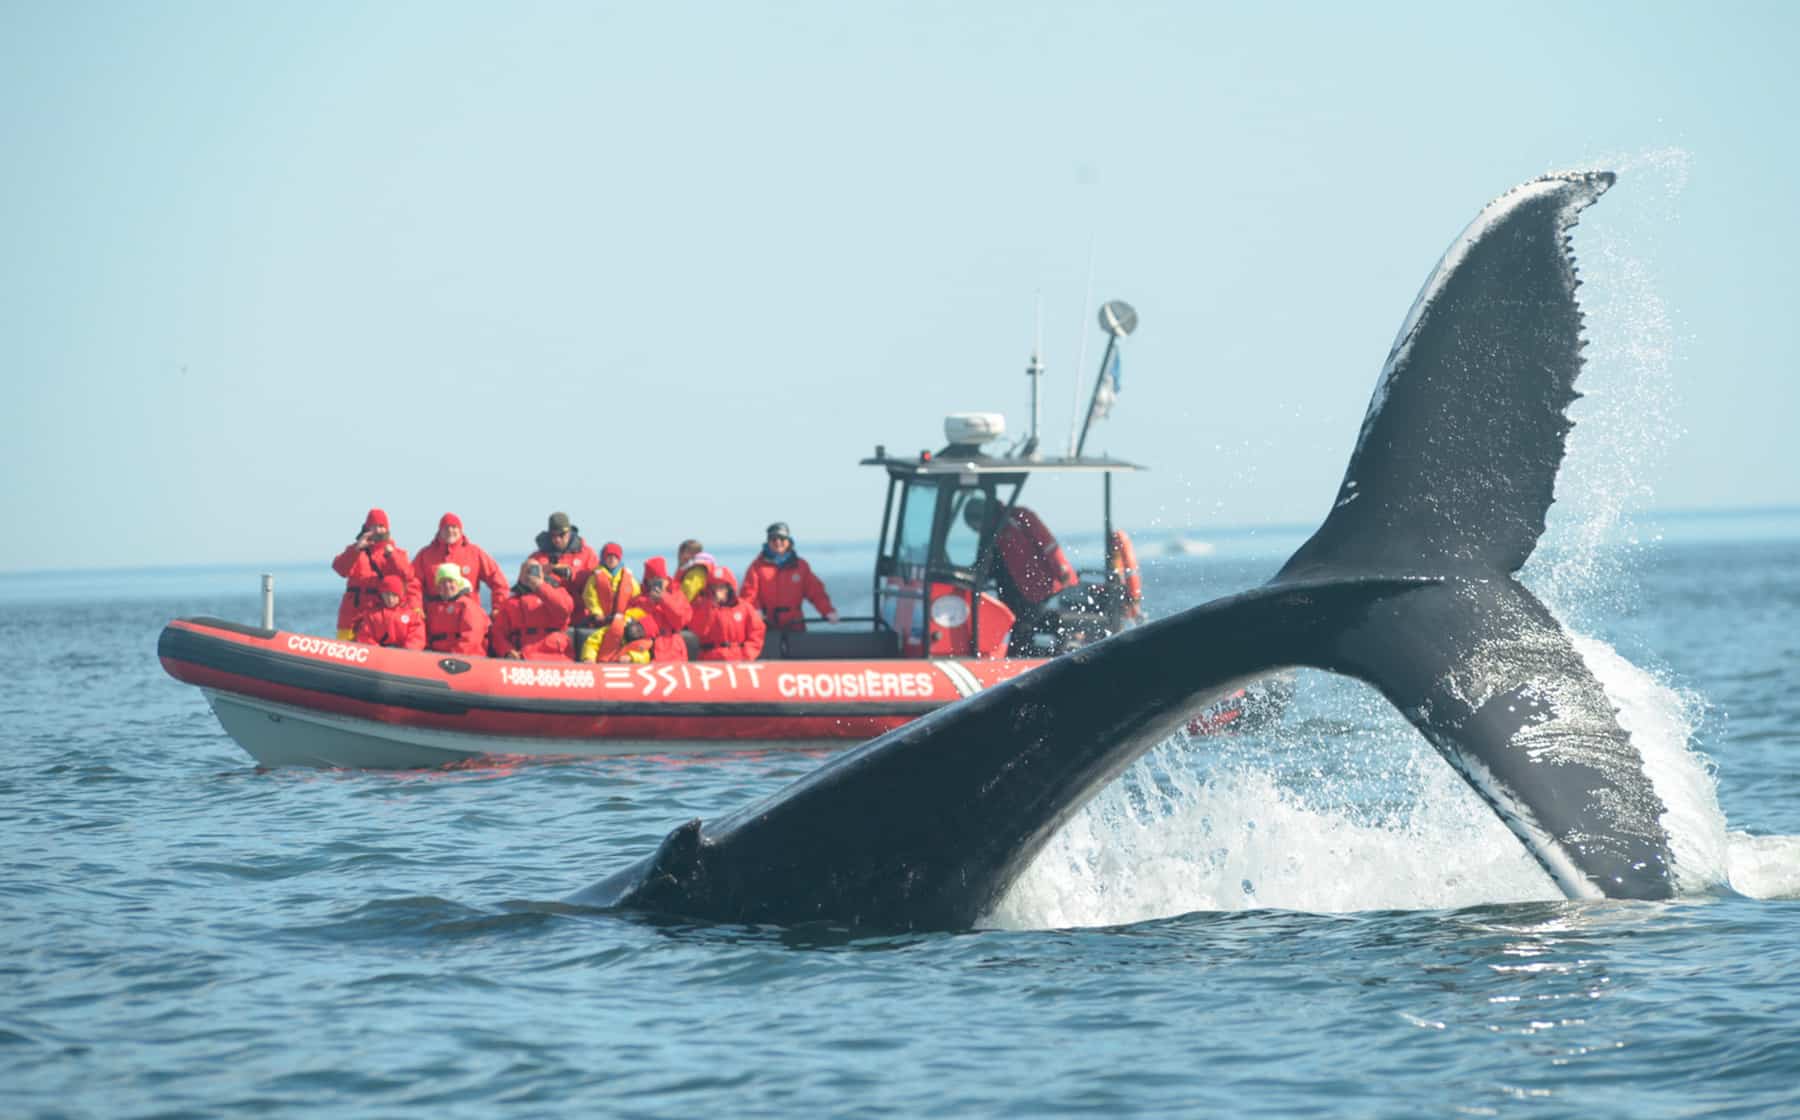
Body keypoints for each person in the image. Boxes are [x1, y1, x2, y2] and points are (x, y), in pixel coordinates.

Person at [963, 494, 1078, 611]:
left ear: (983, 517)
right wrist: (965, 578)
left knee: (1043, 621)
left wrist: (1062, 570)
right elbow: (985, 567)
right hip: (1013, 598)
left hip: (1043, 591)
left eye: (974, 527)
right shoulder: (989, 537)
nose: (976, 531)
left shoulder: (1019, 517)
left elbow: (1049, 545)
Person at [331, 508, 419, 639]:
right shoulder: (355, 550)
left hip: (378, 619)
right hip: (350, 617)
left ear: (387, 529)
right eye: (374, 526)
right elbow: (339, 568)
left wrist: (392, 555)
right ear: (366, 528)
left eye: (381, 526)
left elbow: (409, 575)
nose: (378, 530)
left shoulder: (397, 553)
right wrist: (356, 550)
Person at [740, 521, 839, 633]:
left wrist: (828, 611)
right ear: (768, 542)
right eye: (773, 539)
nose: (778, 542)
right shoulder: (757, 567)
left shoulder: (800, 566)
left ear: (788, 541)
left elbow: (816, 592)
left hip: (795, 626)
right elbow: (748, 595)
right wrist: (755, 612)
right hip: (767, 628)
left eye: (782, 538)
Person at [413, 513, 508, 613]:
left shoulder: (474, 553)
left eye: (454, 527)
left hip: (468, 616)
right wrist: (416, 608)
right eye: (446, 528)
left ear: (461, 530)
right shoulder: (425, 555)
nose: (450, 531)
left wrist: (498, 608)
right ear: (439, 531)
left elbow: (499, 582)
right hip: (435, 617)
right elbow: (412, 584)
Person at [490, 560, 575, 661]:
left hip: (558, 656)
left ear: (542, 573)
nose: (530, 575)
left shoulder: (559, 592)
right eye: (527, 571)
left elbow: (564, 610)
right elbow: (498, 633)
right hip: (524, 657)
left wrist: (539, 586)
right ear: (520, 576)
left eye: (534, 570)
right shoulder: (510, 603)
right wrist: (507, 651)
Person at [690, 563, 765, 661]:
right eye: (714, 587)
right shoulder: (701, 607)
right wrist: (709, 606)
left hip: (738, 659)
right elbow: (699, 630)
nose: (717, 591)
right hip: (710, 659)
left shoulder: (744, 607)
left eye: (721, 587)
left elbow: (757, 632)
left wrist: (746, 655)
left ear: (729, 588)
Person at [423, 563, 491, 656]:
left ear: (458, 584)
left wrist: (455, 655)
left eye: (450, 581)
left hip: (467, 658)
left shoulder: (468, 606)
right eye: (442, 582)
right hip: (437, 656)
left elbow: (472, 637)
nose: (447, 585)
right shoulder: (433, 608)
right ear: (438, 586)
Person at [628, 565, 692, 661]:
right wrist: (650, 602)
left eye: (660, 579)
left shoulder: (677, 595)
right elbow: (631, 628)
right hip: (647, 651)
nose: (656, 583)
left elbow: (681, 621)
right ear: (647, 581)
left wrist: (664, 598)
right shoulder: (638, 601)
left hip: (673, 651)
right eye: (653, 579)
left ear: (666, 579)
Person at [526, 511, 598, 594]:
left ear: (569, 532)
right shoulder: (537, 558)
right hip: (548, 602)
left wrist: (571, 573)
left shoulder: (587, 554)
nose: (557, 539)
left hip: (578, 602)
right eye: (553, 535)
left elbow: (595, 579)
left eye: (561, 535)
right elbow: (525, 582)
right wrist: (543, 573)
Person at [351, 574, 426, 650]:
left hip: (404, 655)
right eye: (387, 595)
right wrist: (377, 650)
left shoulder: (412, 615)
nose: (390, 599)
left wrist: (406, 652)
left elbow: (417, 637)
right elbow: (364, 636)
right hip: (378, 654)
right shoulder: (372, 615)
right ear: (381, 595)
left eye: (394, 595)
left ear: (400, 595)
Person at [578, 542, 640, 629]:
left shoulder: (629, 578)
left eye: (615, 557)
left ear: (619, 559)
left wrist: (629, 615)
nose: (612, 559)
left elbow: (637, 598)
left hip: (623, 622)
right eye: (609, 556)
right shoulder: (595, 577)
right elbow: (589, 597)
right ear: (604, 558)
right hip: (601, 621)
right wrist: (597, 613)